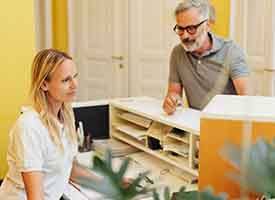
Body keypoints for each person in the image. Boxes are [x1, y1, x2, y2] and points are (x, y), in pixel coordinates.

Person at [0, 49, 100, 199]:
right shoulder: (29, 127)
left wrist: (112, 182)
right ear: (44, 84)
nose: (74, 85)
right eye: (66, 80)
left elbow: (70, 169)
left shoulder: (65, 115)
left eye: (75, 77)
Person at [163, 0, 250, 114]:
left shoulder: (231, 51)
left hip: (226, 123)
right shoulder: (178, 52)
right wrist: (172, 101)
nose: (184, 36)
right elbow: (174, 92)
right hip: (195, 123)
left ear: (208, 25)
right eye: (180, 29)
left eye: (191, 28)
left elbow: (247, 101)